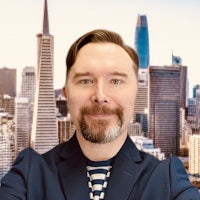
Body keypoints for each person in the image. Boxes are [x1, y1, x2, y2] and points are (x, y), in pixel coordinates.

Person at [0, 29, 199, 200]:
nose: (100, 96)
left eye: (116, 81)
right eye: (86, 81)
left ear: (135, 93)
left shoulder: (168, 178)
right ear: (66, 93)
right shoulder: (28, 175)